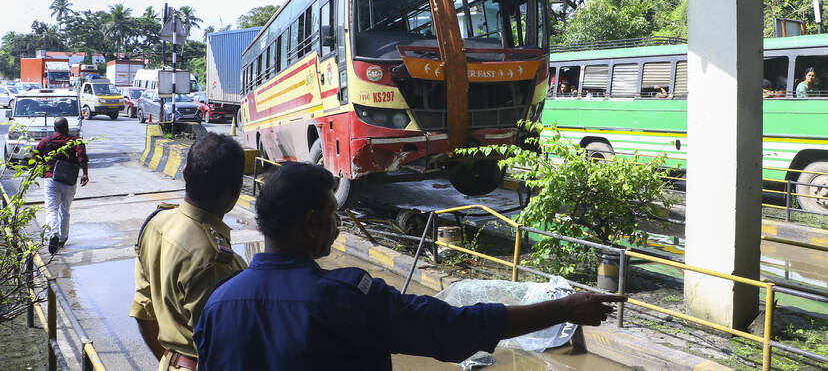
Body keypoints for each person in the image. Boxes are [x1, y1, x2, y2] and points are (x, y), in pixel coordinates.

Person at [194, 163, 627, 370]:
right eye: (332, 214)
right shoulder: (346, 298)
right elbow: (452, 329)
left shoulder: (218, 304)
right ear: (311, 223)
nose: (337, 224)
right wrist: (565, 308)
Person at [131, 133, 247, 371]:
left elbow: (143, 311)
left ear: (184, 173)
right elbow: (227, 351)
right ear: (235, 192)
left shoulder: (156, 223)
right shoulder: (216, 262)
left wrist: (172, 360)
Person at [35, 117, 89, 255]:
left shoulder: (46, 141)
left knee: (51, 209)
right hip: (69, 180)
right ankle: (62, 238)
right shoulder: (76, 141)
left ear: (54, 129)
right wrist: (85, 174)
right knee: (65, 209)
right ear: (67, 128)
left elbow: (36, 156)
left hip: (51, 179)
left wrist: (42, 169)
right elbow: (82, 157)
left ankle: (53, 234)